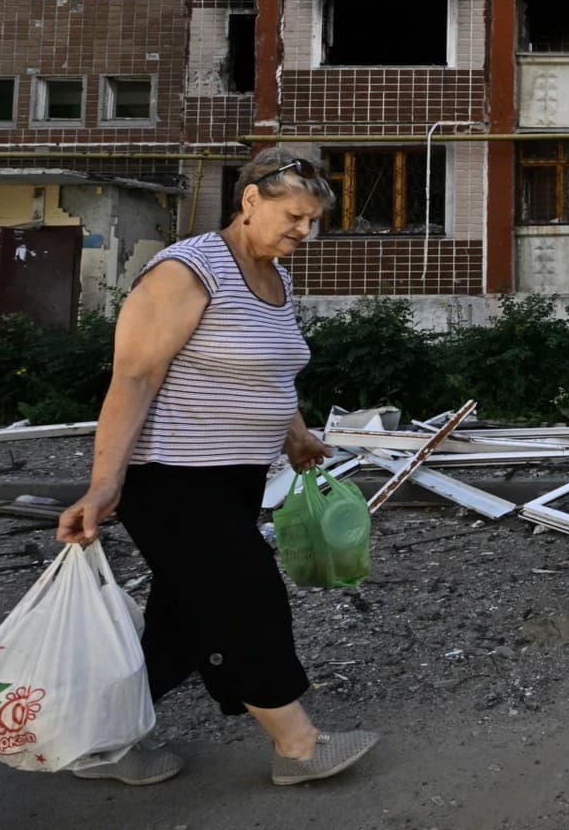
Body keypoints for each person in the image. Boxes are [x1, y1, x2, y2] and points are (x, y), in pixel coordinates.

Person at [56, 149, 379, 787]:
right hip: (171, 476)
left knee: (183, 622)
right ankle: (298, 747)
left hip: (232, 478)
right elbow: (134, 377)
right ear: (251, 200)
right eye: (293, 217)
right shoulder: (188, 270)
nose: (303, 233)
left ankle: (100, 742)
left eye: (313, 222)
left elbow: (266, 371)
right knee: (245, 596)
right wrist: (104, 483)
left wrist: (294, 435)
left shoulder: (274, 277)